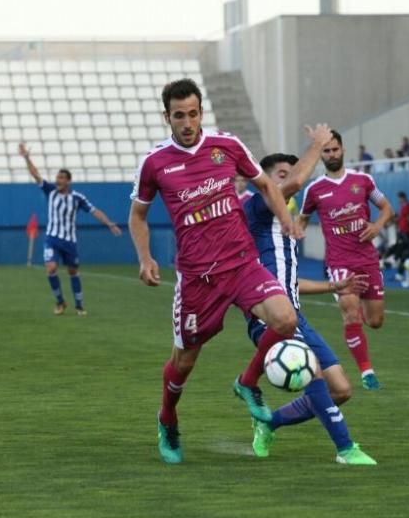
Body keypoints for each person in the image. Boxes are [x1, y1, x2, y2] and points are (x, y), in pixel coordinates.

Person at [128, 78, 303, 465]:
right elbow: (138, 215)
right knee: (184, 362)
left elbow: (267, 185)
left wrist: (284, 219)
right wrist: (145, 257)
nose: (187, 122)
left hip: (242, 263)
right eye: (179, 116)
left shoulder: (228, 146)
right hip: (197, 280)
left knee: (286, 318)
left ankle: (247, 382)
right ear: (166, 117)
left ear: (201, 112)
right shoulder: (155, 162)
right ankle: (168, 418)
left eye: (193, 113)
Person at [242, 131, 377, 465]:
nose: (288, 184)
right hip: (270, 318)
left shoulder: (284, 230)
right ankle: (346, 449)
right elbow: (293, 185)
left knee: (341, 390)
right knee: (312, 373)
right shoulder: (258, 208)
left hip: (295, 314)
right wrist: (318, 144)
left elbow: (289, 284)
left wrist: (334, 287)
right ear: (265, 183)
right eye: (281, 177)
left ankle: (269, 422)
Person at [300, 130, 394, 391]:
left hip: (367, 259)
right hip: (339, 262)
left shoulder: (362, 181)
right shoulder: (315, 190)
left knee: (375, 321)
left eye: (335, 150)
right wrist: (292, 233)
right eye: (326, 151)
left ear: (343, 150)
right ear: (321, 155)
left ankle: (358, 326)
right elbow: (303, 219)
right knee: (351, 314)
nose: (331, 154)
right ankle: (367, 372)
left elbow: (387, 208)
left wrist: (377, 226)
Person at [18, 143, 121, 316]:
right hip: (52, 239)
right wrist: (27, 157)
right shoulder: (50, 191)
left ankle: (79, 305)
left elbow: (93, 210)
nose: (57, 180)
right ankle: (60, 302)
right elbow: (36, 174)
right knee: (50, 268)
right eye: (57, 177)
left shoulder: (77, 198)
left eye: (61, 178)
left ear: (68, 181)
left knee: (73, 271)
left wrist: (108, 223)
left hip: (70, 241)